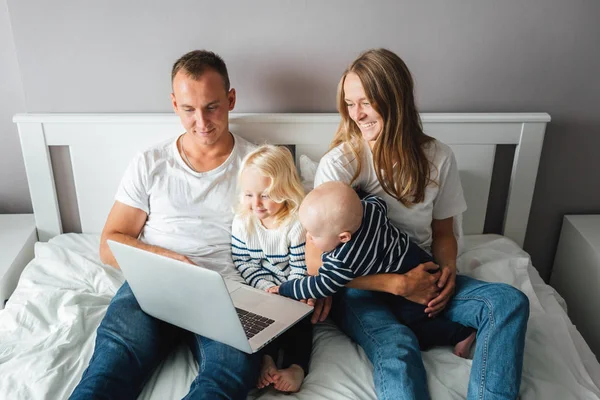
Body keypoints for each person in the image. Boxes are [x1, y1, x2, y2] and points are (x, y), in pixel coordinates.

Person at [307, 48, 530, 400]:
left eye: (366, 102)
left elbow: (443, 233)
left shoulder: (438, 158)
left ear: (394, 99)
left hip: (420, 272)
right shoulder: (341, 164)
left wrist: (447, 272)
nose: (357, 114)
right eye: (350, 103)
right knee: (398, 346)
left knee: (508, 302)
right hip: (361, 287)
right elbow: (316, 261)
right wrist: (397, 285)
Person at [71, 50, 262, 400]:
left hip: (224, 291)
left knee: (229, 375)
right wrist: (165, 259)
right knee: (110, 368)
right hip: (153, 285)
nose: (201, 121)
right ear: (174, 104)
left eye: (212, 107)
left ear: (231, 99)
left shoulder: (259, 164)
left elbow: (287, 239)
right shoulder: (151, 162)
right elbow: (110, 243)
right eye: (188, 109)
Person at [273, 181, 476, 357]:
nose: (308, 237)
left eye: (314, 234)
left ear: (343, 237)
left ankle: (460, 334)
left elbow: (318, 286)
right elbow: (372, 199)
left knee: (414, 328)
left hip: (414, 284)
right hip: (421, 261)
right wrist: (356, 191)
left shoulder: (343, 261)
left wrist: (285, 288)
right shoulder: (372, 210)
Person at [231, 144, 313, 393]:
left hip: (293, 286)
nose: (256, 203)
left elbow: (302, 268)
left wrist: (287, 291)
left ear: (285, 190)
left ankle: (296, 367)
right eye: (248, 195)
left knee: (300, 321)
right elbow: (244, 262)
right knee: (256, 321)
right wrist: (267, 288)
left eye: (265, 195)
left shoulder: (295, 223)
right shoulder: (243, 222)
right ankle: (266, 358)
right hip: (263, 288)